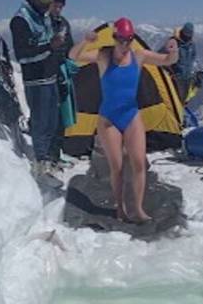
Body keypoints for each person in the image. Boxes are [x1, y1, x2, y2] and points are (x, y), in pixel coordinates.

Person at [69, 17, 178, 223]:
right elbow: (74, 56)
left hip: (131, 115)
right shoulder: (104, 56)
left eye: (129, 39)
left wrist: (174, 49)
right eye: (121, 39)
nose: (125, 44)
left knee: (138, 163)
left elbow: (167, 61)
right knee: (117, 167)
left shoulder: (139, 56)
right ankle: (120, 208)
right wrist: (85, 40)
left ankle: (137, 209)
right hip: (109, 118)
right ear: (114, 38)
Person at [10, 0, 62, 179]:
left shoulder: (43, 15)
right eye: (41, 0)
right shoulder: (21, 20)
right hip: (36, 79)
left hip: (49, 76)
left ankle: (47, 159)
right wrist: (50, 46)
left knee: (51, 122)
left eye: (46, 1)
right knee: (40, 123)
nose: (44, 5)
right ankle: (40, 164)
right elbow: (23, 54)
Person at [48, 0, 75, 167]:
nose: (58, 9)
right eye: (55, 5)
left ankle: (57, 154)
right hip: (48, 75)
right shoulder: (43, 23)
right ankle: (49, 156)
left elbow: (71, 48)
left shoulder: (63, 23)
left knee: (62, 117)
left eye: (60, 6)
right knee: (50, 117)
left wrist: (71, 63)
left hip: (63, 74)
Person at [161, 21, 196, 104]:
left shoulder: (191, 45)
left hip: (187, 78)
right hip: (175, 79)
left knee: (183, 100)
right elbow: (160, 57)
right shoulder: (174, 43)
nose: (187, 38)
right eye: (185, 36)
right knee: (176, 101)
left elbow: (193, 57)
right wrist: (168, 71)